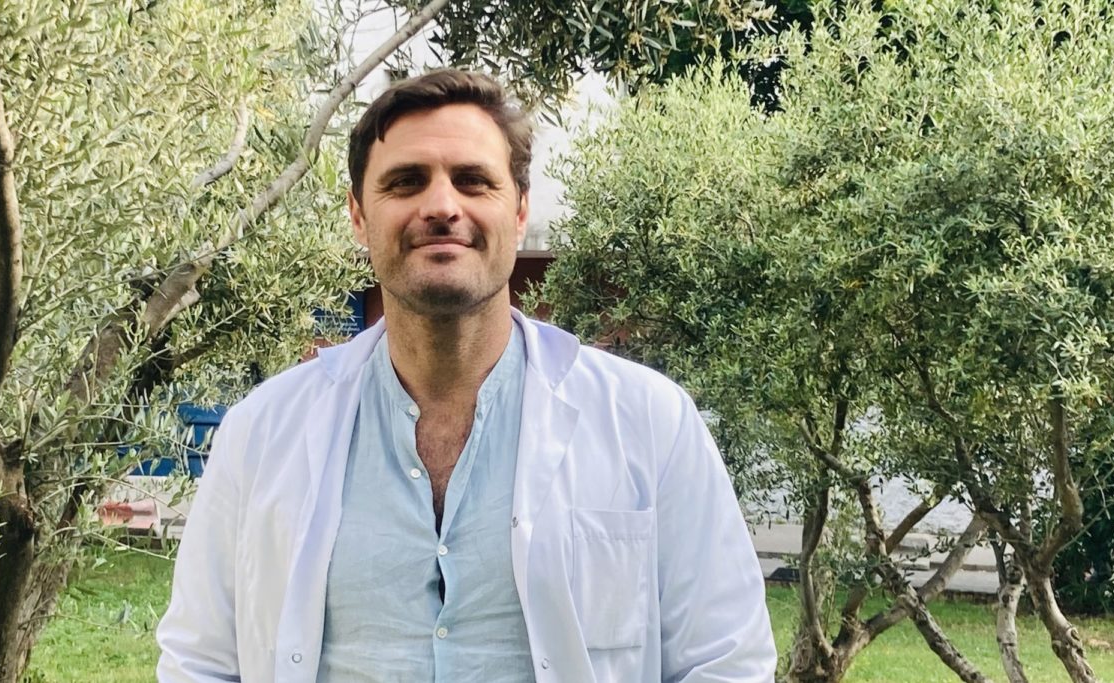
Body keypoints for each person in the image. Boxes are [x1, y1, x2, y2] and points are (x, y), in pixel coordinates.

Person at [157, 69, 776, 683]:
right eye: (406, 182)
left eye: (473, 180)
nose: (441, 207)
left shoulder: (649, 422)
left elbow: (726, 661)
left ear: (520, 211)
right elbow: (199, 662)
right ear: (358, 216)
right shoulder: (262, 433)